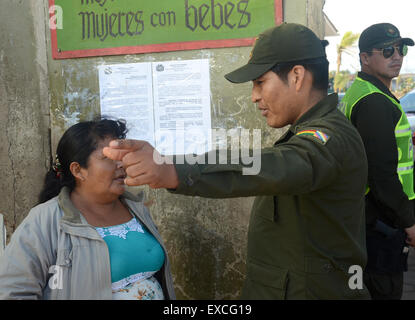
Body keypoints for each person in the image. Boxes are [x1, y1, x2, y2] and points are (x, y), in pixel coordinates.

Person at [103, 23, 370, 299]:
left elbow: (277, 165)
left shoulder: (329, 137)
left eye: (259, 82)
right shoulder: (306, 131)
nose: (254, 96)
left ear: (297, 77)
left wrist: (172, 169)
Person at [0, 118, 175, 300]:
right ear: (78, 170)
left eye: (121, 156)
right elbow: (13, 292)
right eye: (108, 158)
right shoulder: (45, 221)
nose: (121, 164)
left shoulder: (136, 209)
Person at [340, 23, 415, 300]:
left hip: (373, 221)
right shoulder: (374, 103)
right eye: (387, 51)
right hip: (380, 225)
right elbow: (381, 174)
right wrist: (408, 221)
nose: (396, 56)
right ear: (365, 58)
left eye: (401, 49)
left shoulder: (368, 92)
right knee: (384, 290)